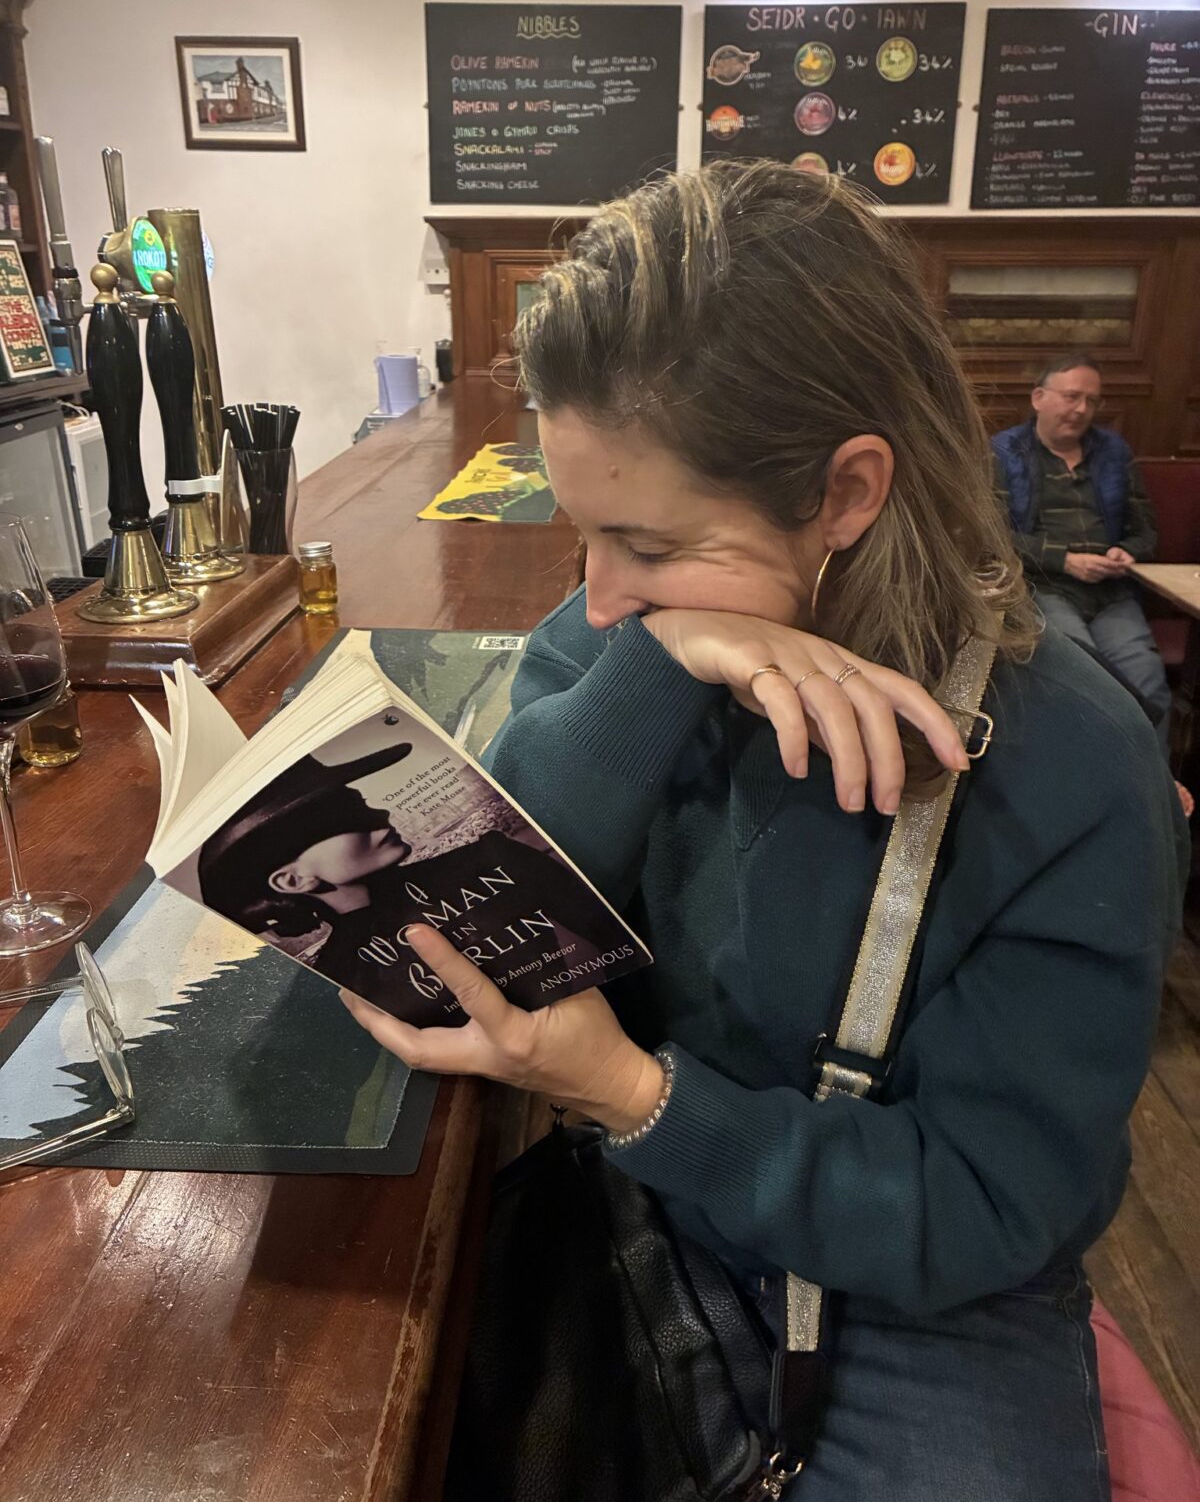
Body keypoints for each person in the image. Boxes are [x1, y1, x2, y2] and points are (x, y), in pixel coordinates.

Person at [342, 163, 1186, 1499]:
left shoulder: (1071, 766)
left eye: (648, 545)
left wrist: (638, 1098)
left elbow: (984, 1203)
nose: (597, 597)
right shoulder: (629, 633)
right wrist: (660, 662)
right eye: (582, 535)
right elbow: (483, 896)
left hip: (918, 1288)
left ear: (847, 493)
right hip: (640, 1200)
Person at [197, 741, 633, 1024]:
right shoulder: (340, 978)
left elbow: (616, 950)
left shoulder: (494, 859)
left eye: (360, 803)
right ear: (293, 880)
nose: (380, 814)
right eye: (339, 819)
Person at [992, 355, 1173, 749]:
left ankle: (1156, 779)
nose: (1081, 409)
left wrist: (1127, 551)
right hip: (1044, 585)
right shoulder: (1005, 452)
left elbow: (1145, 530)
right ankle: (1100, 771)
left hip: (1111, 591)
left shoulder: (1114, 452)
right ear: (1039, 397)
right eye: (1072, 397)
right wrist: (1065, 560)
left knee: (1147, 679)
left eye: (1092, 401)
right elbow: (992, 536)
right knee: (1084, 674)